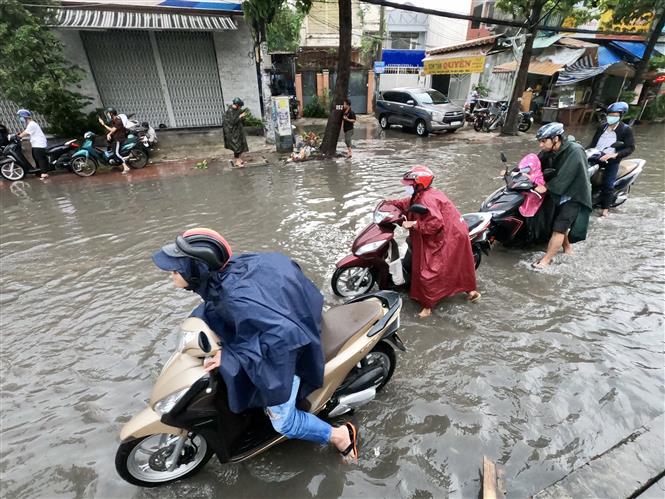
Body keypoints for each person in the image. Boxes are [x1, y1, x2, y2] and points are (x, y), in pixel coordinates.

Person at [152, 228, 359, 462]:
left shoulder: (236, 297)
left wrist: (232, 357)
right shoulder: (236, 266)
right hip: (303, 313)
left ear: (197, 269)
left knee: (284, 422)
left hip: (294, 346)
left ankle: (340, 436)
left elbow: (284, 337)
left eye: (176, 270)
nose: (171, 274)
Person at [387, 166, 481, 318]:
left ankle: (428, 306)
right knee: (457, 265)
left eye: (410, 185)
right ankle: (471, 291)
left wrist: (413, 224)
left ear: (419, 184)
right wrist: (390, 203)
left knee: (429, 271)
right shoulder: (423, 193)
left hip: (448, 234)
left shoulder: (426, 198)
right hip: (455, 231)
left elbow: (435, 224)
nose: (407, 188)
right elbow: (408, 203)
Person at [532, 122, 592, 269]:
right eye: (540, 141)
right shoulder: (550, 150)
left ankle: (546, 260)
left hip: (574, 194)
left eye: (543, 141)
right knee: (560, 224)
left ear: (556, 138)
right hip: (559, 193)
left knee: (559, 227)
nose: (541, 145)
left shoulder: (575, 151)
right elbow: (536, 164)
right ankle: (567, 248)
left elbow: (566, 176)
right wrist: (517, 172)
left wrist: (545, 187)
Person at [587, 101, 635, 217]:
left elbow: (630, 148)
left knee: (608, 184)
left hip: (611, 161)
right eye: (610, 115)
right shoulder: (602, 127)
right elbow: (593, 144)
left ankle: (605, 210)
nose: (611, 117)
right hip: (596, 157)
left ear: (620, 116)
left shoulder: (625, 130)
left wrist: (615, 155)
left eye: (615, 115)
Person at [16, 109, 49, 179]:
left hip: (39, 144)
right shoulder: (30, 124)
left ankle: (44, 173)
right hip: (36, 144)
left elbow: (26, 132)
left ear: (24, 116)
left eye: (20, 116)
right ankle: (39, 172)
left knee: (40, 158)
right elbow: (26, 131)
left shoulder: (32, 124)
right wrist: (19, 135)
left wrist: (18, 136)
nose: (19, 118)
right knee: (36, 158)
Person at [98, 107, 130, 174]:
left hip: (118, 139)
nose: (107, 115)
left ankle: (126, 167)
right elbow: (112, 130)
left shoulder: (118, 121)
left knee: (116, 153)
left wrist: (103, 124)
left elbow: (112, 130)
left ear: (111, 114)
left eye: (108, 113)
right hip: (114, 138)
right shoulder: (113, 120)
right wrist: (109, 134)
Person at [223, 97, 249, 167]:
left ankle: (239, 159)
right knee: (236, 146)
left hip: (238, 130)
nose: (240, 107)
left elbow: (238, 119)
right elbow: (232, 122)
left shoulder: (236, 110)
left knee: (241, 145)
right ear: (237, 105)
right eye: (240, 106)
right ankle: (237, 161)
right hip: (233, 132)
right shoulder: (230, 111)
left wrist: (242, 117)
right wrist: (240, 116)